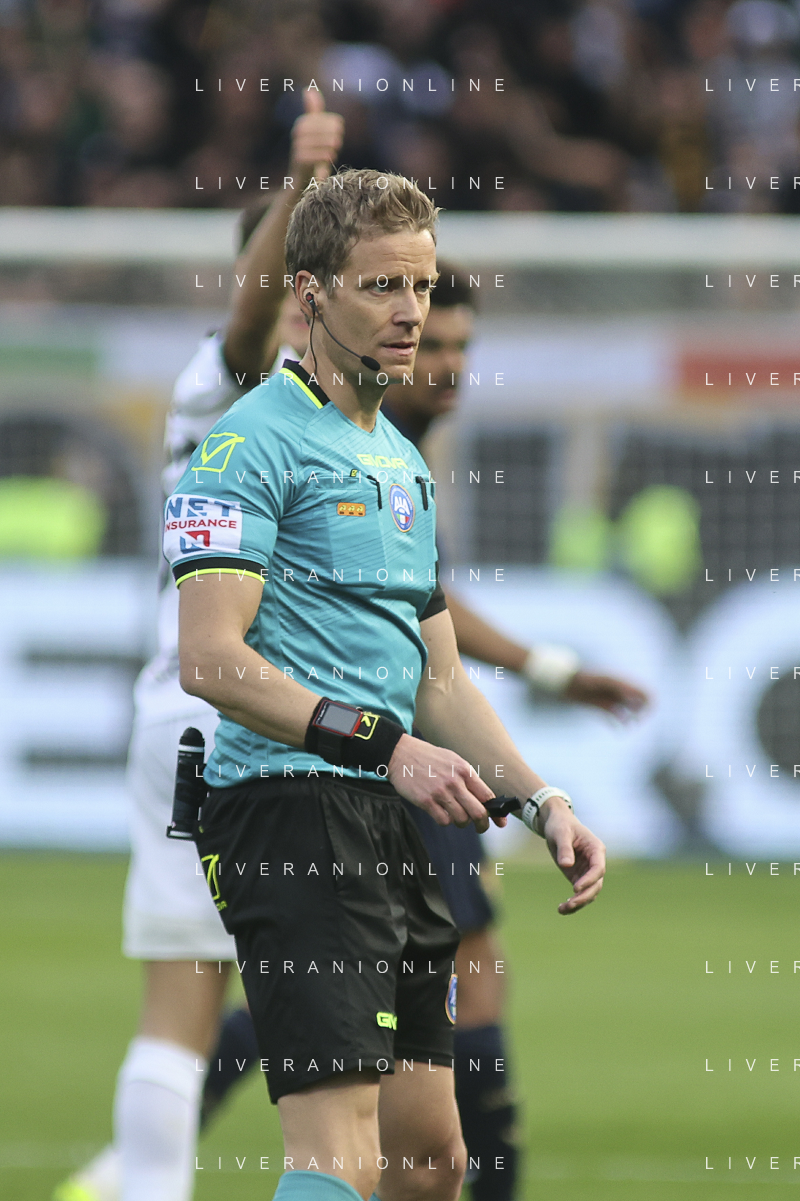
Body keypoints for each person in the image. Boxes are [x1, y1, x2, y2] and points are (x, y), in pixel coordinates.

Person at [162, 167, 606, 1201]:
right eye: (381, 286)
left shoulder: (398, 459)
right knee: (339, 1154)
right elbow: (211, 659)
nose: (409, 311)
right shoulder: (245, 445)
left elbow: (438, 676)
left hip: (387, 817)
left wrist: (541, 799)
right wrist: (387, 745)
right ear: (310, 294)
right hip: (287, 809)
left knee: (430, 1162)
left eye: (420, 284)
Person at [53, 90, 345, 1201]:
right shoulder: (227, 384)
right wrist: (304, 181)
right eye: (301, 269)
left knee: (242, 1004)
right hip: (218, 717)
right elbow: (249, 318)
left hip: (250, 720)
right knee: (205, 1004)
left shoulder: (329, 413)